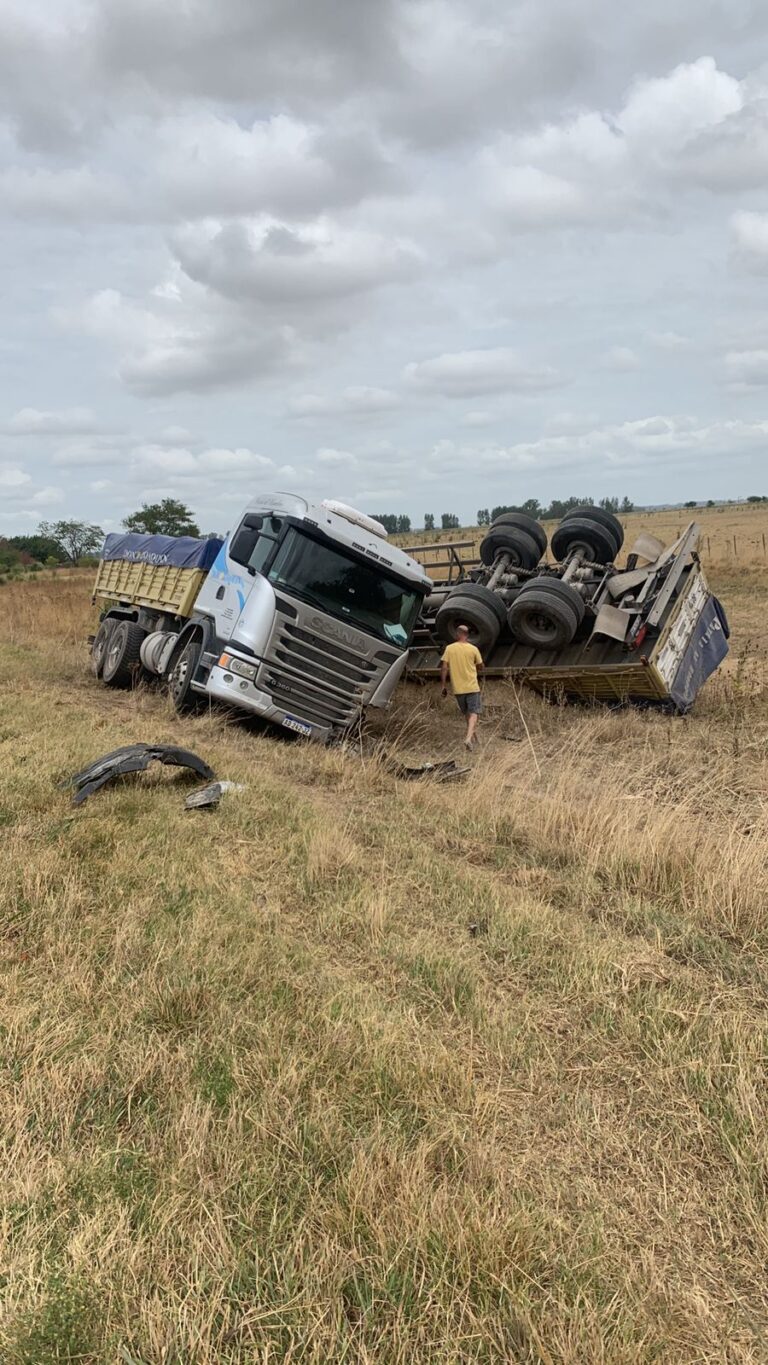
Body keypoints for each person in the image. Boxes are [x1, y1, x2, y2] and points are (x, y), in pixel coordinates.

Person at [440, 625, 484, 750]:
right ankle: (468, 739)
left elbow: (444, 668)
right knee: (474, 714)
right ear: (467, 635)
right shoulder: (473, 649)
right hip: (472, 687)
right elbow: (481, 666)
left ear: (457, 634)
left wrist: (443, 686)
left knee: (468, 715)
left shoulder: (449, 649)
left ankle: (475, 740)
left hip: (458, 689)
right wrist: (477, 667)